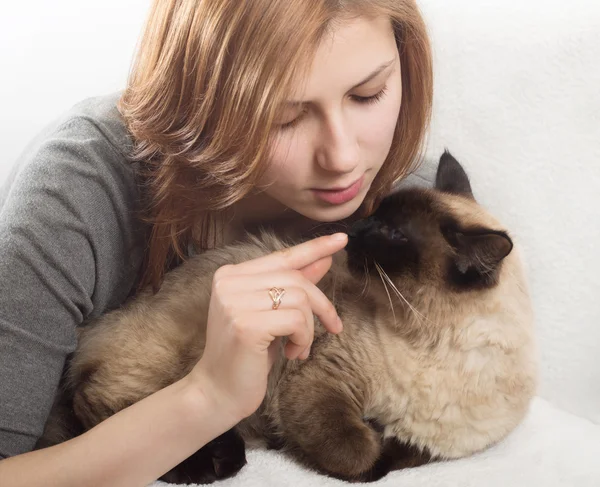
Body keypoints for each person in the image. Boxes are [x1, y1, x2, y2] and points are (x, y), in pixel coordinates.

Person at [0, 0, 432, 485]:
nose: (343, 156)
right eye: (284, 117)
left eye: (368, 94)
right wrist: (207, 397)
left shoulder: (412, 211)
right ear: (200, 98)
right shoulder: (78, 190)